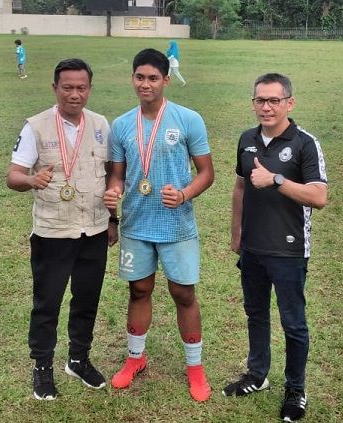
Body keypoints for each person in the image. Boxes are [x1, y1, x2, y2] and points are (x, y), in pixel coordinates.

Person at [103, 48, 214, 402]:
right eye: (140, 77)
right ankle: (135, 358)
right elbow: (117, 176)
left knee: (183, 293)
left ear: (166, 80)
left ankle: (195, 368)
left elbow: (207, 173)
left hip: (177, 224)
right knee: (139, 290)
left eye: (153, 78)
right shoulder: (121, 125)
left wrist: (183, 195)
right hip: (136, 224)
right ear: (132, 78)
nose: (145, 84)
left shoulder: (188, 119)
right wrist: (114, 193)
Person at [5, 58, 117, 401]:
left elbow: (113, 173)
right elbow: (13, 176)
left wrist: (114, 220)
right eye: (67, 87)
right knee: (47, 303)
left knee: (87, 299)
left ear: (89, 89)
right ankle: (42, 368)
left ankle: (79, 359)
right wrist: (30, 179)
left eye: (81, 88)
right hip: (53, 232)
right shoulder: (35, 126)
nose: (74, 94)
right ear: (55, 88)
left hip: (94, 229)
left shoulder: (101, 125)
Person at [224, 73, 328, 422]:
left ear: (289, 103)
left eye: (273, 101)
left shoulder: (304, 143)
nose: (266, 107)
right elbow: (240, 188)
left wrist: (277, 180)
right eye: (260, 100)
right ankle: (257, 374)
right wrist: (236, 233)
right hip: (252, 249)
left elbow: (319, 196)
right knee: (255, 314)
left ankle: (296, 389)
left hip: (289, 251)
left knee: (293, 323)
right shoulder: (246, 139)